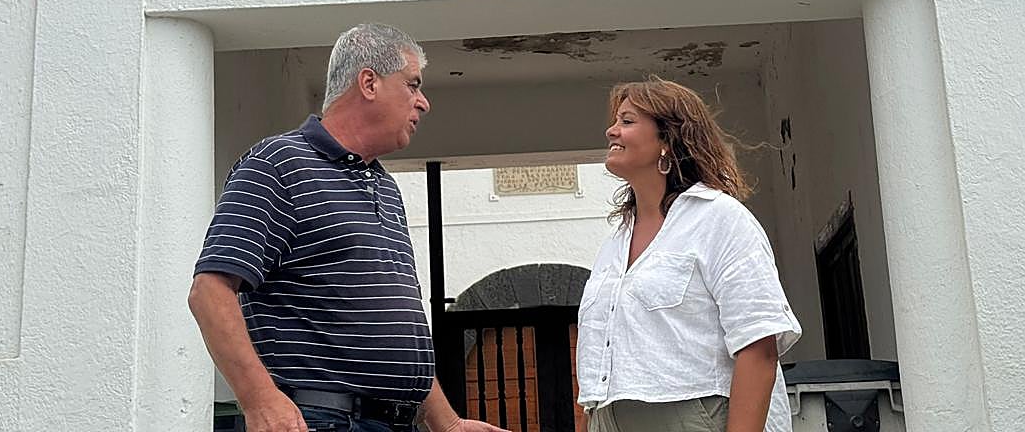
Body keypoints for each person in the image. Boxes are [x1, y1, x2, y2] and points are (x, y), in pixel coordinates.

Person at [189, 23, 509, 432]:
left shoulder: (385, 186)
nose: (423, 102)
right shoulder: (278, 164)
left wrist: (446, 423)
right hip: (324, 420)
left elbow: (390, 324)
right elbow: (210, 292)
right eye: (413, 85)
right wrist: (260, 399)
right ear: (369, 83)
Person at [576, 78, 801, 432]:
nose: (611, 131)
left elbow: (759, 345)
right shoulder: (614, 244)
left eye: (627, 121)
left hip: (691, 417)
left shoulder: (720, 219)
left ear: (667, 139)